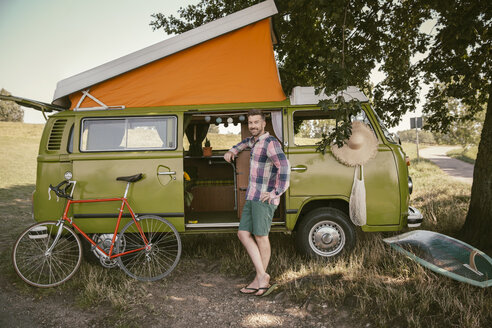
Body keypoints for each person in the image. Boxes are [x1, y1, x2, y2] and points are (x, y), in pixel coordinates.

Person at [224, 109, 290, 296]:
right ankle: (262, 276)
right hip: (252, 195)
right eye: (250, 123)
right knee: (243, 233)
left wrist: (275, 192)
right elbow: (244, 142)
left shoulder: (270, 143)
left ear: (264, 124)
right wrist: (232, 150)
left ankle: (259, 279)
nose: (252, 126)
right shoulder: (254, 141)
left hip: (264, 197)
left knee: (261, 236)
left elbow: (284, 167)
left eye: (256, 122)